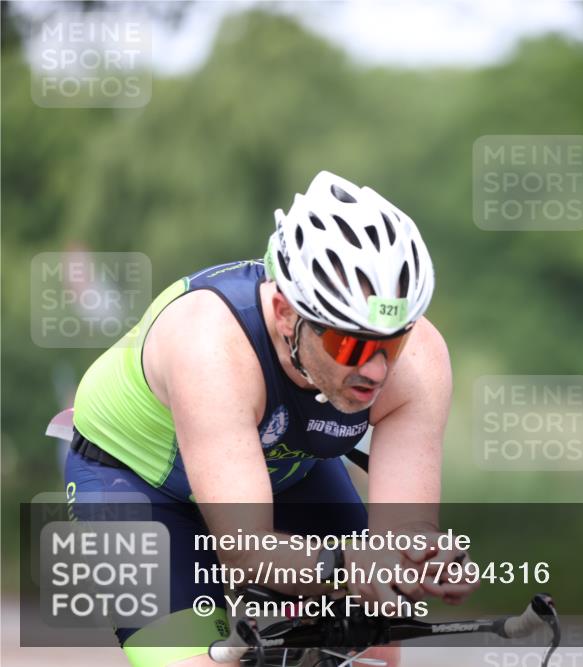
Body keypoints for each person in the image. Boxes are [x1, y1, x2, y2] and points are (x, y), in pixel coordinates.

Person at [65, 171, 474, 666]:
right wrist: (346, 564)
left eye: (393, 342)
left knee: (374, 650)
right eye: (350, 344)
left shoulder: (420, 362)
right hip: (134, 482)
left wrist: (423, 557)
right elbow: (244, 552)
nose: (376, 369)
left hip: (280, 469)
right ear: (285, 313)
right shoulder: (212, 346)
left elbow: (400, 537)